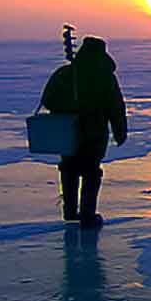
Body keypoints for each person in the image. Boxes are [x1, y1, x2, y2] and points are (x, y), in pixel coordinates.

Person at [41, 36, 127, 228]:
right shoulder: (104, 77)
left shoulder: (65, 74)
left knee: (70, 168)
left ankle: (71, 211)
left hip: (68, 132)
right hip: (93, 134)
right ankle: (87, 215)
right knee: (90, 171)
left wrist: (65, 108)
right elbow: (115, 107)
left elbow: (48, 99)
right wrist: (120, 131)